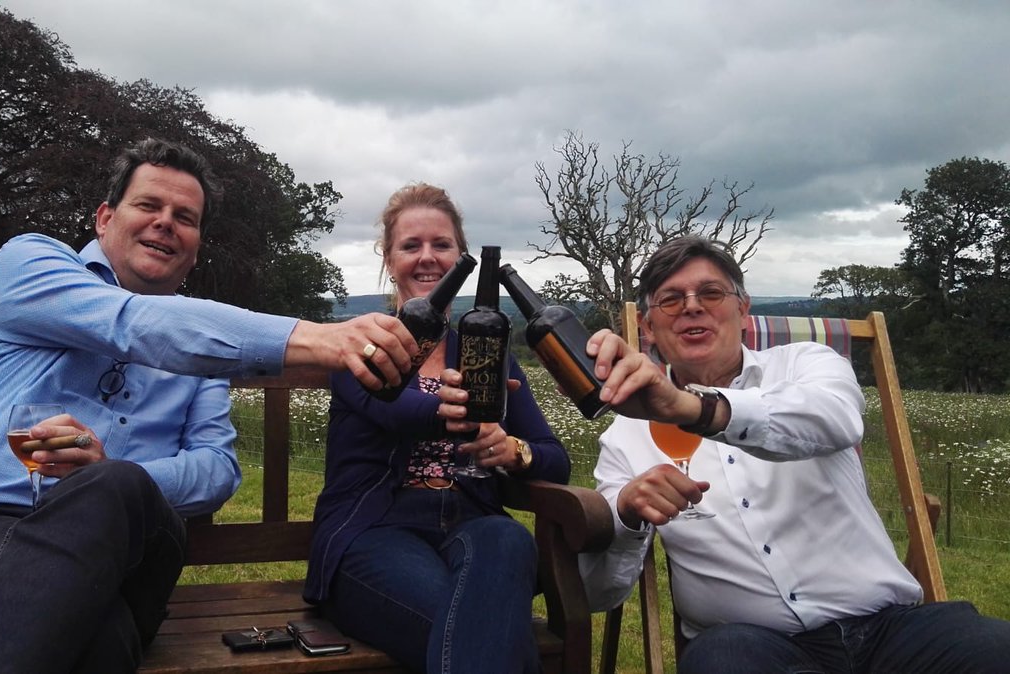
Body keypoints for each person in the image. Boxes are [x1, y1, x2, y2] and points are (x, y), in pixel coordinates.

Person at [0, 138, 419, 674]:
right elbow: (133, 325)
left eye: (185, 217)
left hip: (137, 552)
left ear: (194, 245)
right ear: (105, 218)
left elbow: (217, 469)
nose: (166, 223)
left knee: (117, 486)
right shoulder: (28, 264)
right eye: (149, 206)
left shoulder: (204, 351)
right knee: (99, 642)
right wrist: (319, 338)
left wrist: (114, 477)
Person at [578, 235, 1010, 673]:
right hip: (750, 646)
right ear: (648, 328)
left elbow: (835, 419)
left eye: (711, 293)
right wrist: (628, 516)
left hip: (891, 631)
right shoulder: (626, 437)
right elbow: (599, 594)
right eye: (670, 300)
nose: (692, 306)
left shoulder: (808, 364)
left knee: (993, 649)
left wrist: (694, 408)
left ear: (743, 310)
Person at [304, 183, 571, 674]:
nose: (427, 258)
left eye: (441, 245)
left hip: (472, 529)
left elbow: (556, 458)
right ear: (389, 258)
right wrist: (463, 409)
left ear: (461, 257)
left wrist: (512, 449)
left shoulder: (490, 350)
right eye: (411, 246)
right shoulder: (360, 344)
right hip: (375, 534)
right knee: (483, 632)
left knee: (508, 540)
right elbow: (392, 407)